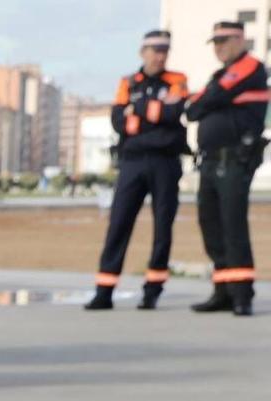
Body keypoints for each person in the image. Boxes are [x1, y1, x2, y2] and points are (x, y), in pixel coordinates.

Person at [83, 31, 189, 312]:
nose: (159, 55)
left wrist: (138, 110)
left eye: (164, 50)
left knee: (163, 226)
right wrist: (149, 114)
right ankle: (104, 290)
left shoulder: (176, 80)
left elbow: (172, 113)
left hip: (166, 162)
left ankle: (152, 289)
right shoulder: (127, 82)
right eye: (154, 50)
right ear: (142, 52)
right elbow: (119, 122)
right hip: (132, 162)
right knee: (118, 223)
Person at [185, 20, 267, 317]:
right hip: (210, 160)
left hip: (234, 159)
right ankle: (223, 290)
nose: (219, 47)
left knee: (233, 227)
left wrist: (207, 101)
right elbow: (193, 110)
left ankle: (242, 294)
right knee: (211, 225)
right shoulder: (219, 75)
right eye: (216, 42)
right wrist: (206, 102)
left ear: (240, 40)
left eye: (225, 41)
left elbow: (210, 99)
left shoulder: (250, 67)